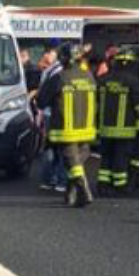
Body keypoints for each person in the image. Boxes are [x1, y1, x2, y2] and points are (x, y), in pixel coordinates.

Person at [36, 44, 98, 208]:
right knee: (76, 161)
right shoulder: (89, 76)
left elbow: (41, 101)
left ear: (63, 59)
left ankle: (84, 192)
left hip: (66, 129)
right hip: (87, 129)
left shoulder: (59, 77)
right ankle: (70, 194)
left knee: (71, 161)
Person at [96, 51, 139, 196]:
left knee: (106, 157)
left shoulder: (103, 80)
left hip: (105, 128)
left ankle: (103, 185)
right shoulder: (133, 81)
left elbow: (96, 103)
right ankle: (120, 186)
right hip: (125, 130)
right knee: (121, 157)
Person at [35, 47, 68, 193]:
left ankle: (50, 178)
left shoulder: (52, 71)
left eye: (50, 53)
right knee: (58, 148)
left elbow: (43, 94)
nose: (46, 56)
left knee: (51, 147)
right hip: (55, 113)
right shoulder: (55, 71)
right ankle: (57, 179)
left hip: (51, 113)